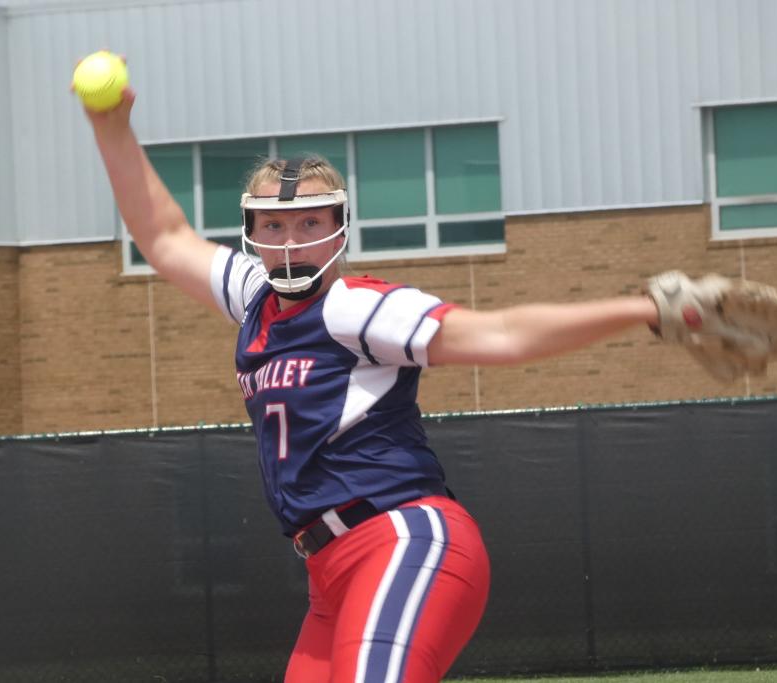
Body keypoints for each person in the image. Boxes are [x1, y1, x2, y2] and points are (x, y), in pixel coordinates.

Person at [81, 85, 661, 683]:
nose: (290, 240)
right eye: (274, 225)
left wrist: (645, 310)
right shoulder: (255, 296)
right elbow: (164, 237)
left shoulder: (351, 307)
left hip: (402, 540)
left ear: (340, 228)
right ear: (252, 231)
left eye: (309, 221)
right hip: (329, 573)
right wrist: (112, 127)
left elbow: (503, 335)